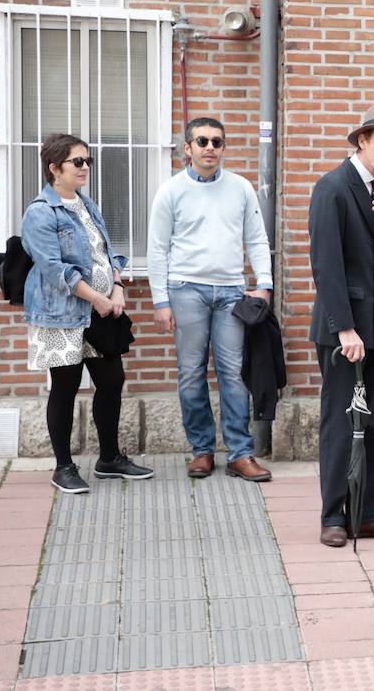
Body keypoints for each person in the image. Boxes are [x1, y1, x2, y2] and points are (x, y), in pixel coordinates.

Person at [308, 103, 374, 548]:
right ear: (361, 141)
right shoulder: (332, 188)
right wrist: (344, 329)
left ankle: (369, 513)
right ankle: (333, 516)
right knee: (341, 419)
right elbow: (327, 266)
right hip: (345, 330)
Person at [22, 133, 153, 493]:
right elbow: (54, 269)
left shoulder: (85, 203)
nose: (85, 168)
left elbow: (105, 252)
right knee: (65, 387)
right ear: (53, 168)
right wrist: (96, 297)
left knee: (111, 380)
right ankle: (63, 467)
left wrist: (117, 285)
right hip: (62, 313)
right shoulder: (40, 212)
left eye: (87, 161)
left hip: (100, 308)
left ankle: (108, 458)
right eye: (77, 162)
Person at [147, 117, 273, 482]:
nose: (210, 148)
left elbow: (257, 238)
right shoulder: (171, 191)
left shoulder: (240, 188)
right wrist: (160, 301)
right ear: (187, 148)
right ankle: (201, 450)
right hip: (186, 290)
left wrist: (263, 284)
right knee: (191, 373)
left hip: (232, 292)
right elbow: (157, 249)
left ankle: (240, 453)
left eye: (217, 142)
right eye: (201, 141)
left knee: (234, 374)